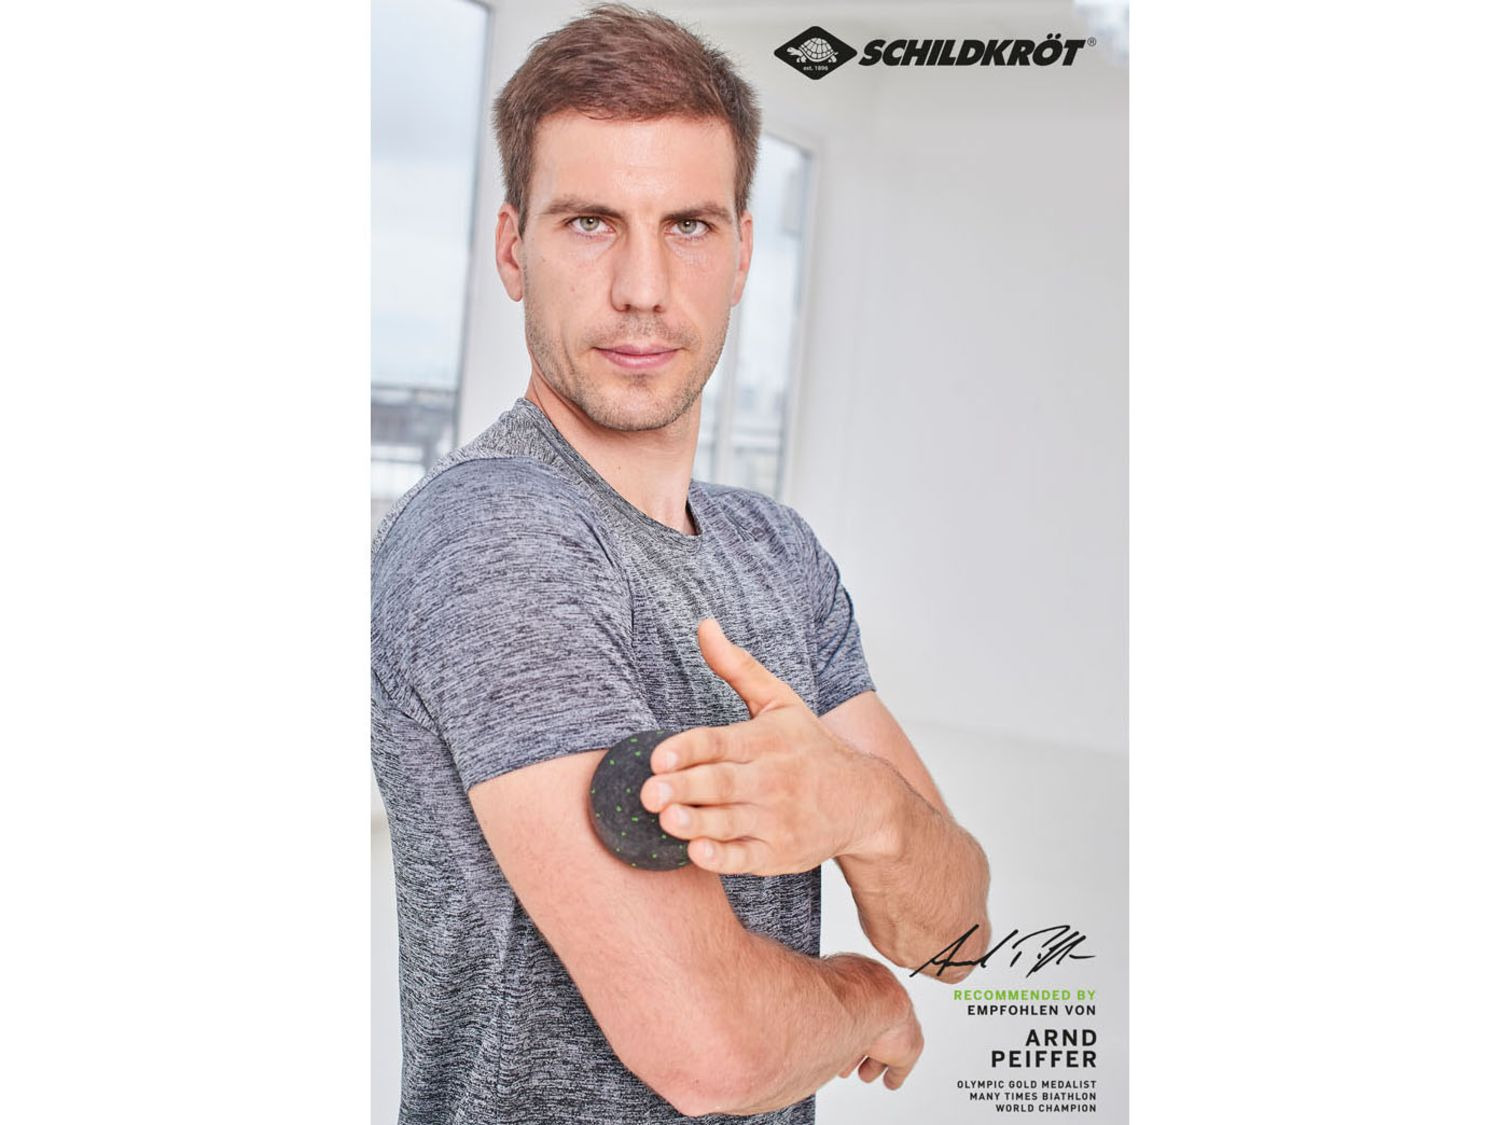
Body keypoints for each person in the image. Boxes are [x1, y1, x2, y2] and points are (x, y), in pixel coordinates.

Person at [371, 5, 992, 1121]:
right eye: (591, 222)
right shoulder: (492, 536)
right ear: (512, 249)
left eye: (690, 226)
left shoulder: (777, 553)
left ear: (744, 253)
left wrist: (869, 810)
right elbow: (712, 1053)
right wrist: (862, 998)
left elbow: (956, 936)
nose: (645, 288)